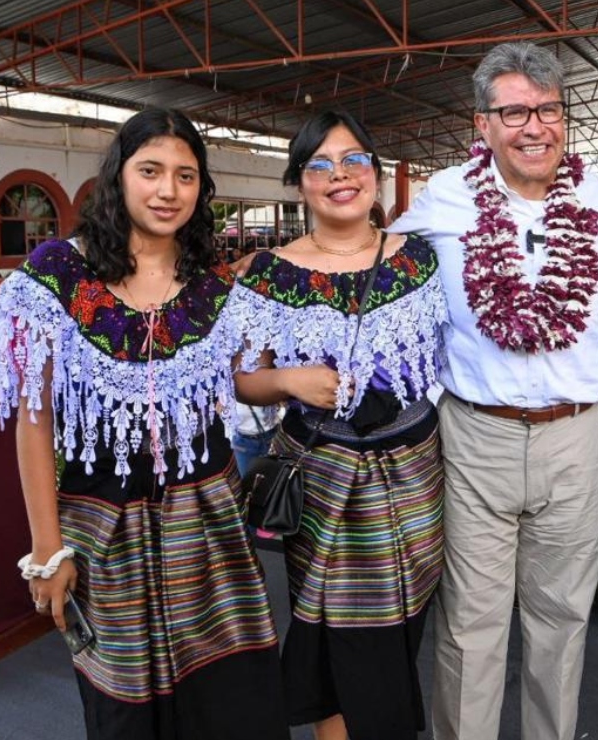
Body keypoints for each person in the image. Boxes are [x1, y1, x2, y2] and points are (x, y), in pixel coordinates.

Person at [0, 109, 286, 739]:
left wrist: (294, 377)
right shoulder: (56, 277)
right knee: (126, 712)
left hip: (209, 525)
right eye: (150, 170)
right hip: (104, 529)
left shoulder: (214, 286)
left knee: (231, 701)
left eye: (185, 175)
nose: (167, 191)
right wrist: (47, 551)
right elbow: (33, 422)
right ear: (118, 176)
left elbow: (240, 379)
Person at [388, 41, 598, 740]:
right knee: (471, 623)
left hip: (576, 435)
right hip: (476, 435)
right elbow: (368, 258)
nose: (534, 126)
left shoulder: (595, 198)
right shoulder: (445, 198)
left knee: (561, 621)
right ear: (482, 124)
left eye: (548, 109)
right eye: (515, 111)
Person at [228, 109, 447, 740]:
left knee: (401, 627)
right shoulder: (270, 273)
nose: (340, 175)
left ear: (376, 174)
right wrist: (292, 381)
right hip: (320, 475)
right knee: (328, 631)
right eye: (319, 165)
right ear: (300, 183)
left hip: (410, 472)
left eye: (354, 160)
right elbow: (245, 379)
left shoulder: (421, 263)